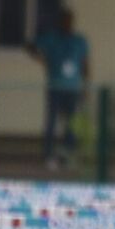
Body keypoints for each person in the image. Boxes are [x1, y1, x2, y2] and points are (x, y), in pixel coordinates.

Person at [27, 9, 89, 170]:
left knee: (71, 124)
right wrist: (43, 60)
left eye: (69, 21)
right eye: (64, 21)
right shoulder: (51, 38)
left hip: (73, 88)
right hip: (55, 86)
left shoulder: (79, 40)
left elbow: (85, 63)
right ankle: (48, 156)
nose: (66, 24)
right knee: (52, 122)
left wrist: (86, 86)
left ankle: (68, 156)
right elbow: (30, 45)